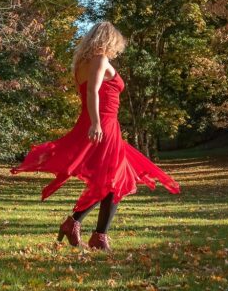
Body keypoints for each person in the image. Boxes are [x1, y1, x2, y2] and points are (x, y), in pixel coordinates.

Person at [10, 21, 180, 250]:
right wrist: (97, 124)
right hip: (103, 124)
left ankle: (78, 226)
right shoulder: (100, 59)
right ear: (110, 40)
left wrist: (94, 122)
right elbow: (92, 91)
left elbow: (89, 92)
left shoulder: (81, 64)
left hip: (99, 123)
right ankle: (95, 234)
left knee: (111, 179)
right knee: (114, 179)